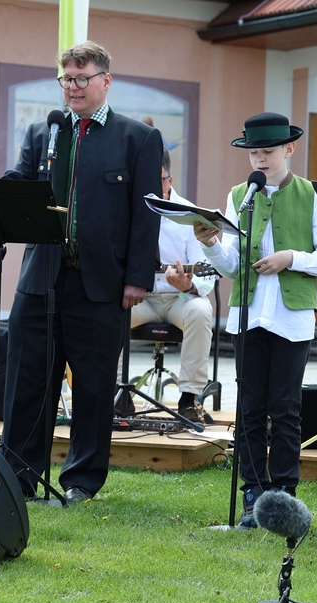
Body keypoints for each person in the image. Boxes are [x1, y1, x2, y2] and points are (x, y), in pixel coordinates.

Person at [1, 41, 163, 504]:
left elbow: (145, 215)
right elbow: (23, 186)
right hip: (40, 279)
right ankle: (19, 477)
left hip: (101, 284)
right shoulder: (44, 131)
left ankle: (81, 481)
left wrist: (137, 278)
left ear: (105, 81)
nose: (72, 87)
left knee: (92, 386)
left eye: (81, 78)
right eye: (66, 79)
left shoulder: (137, 138)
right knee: (27, 382)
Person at [195, 112, 317, 527]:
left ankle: (284, 494)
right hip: (248, 316)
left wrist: (290, 258)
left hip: (291, 318)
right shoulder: (239, 195)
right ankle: (252, 494)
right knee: (250, 409)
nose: (260, 159)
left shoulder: (308, 194)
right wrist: (210, 245)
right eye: (253, 153)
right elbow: (232, 264)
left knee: (286, 407)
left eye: (268, 152)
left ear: (289, 149)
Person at [124, 148, 215, 423]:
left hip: (179, 300)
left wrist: (187, 286)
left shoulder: (190, 215)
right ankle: (116, 394)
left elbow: (206, 274)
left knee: (201, 311)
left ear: (170, 180)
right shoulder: (127, 211)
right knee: (107, 311)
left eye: (157, 180)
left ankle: (189, 399)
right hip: (142, 298)